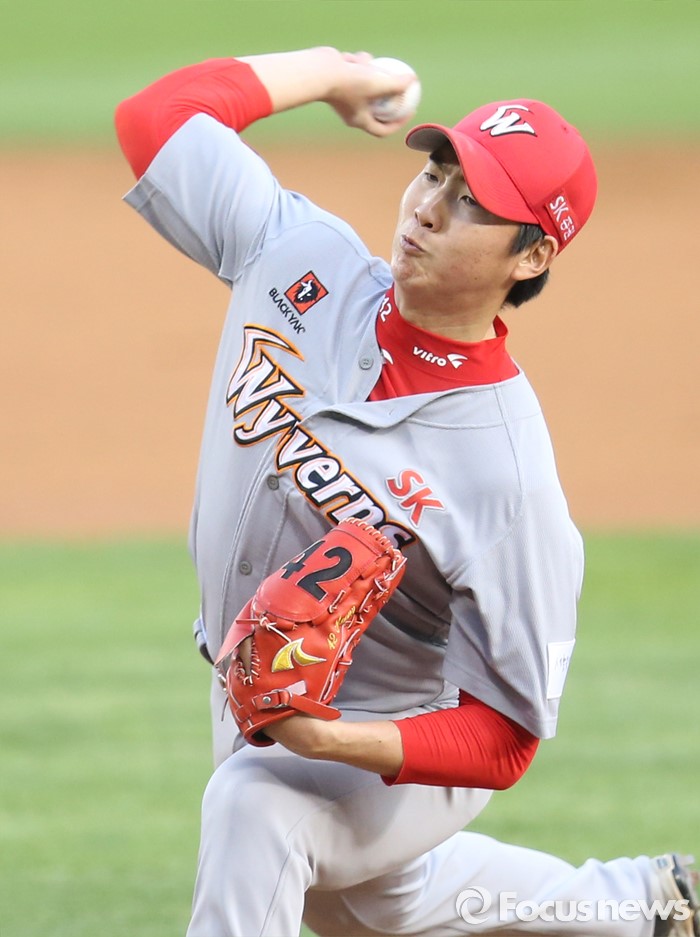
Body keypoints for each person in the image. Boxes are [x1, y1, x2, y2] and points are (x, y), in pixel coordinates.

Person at [115, 47, 698, 937]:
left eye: (472, 203)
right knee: (368, 906)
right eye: (435, 172)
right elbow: (154, 123)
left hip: (408, 736)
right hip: (266, 695)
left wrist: (324, 739)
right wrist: (332, 71)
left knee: (256, 810)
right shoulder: (298, 256)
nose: (428, 206)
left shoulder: (506, 472)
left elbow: (505, 736)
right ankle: (643, 905)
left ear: (534, 253)